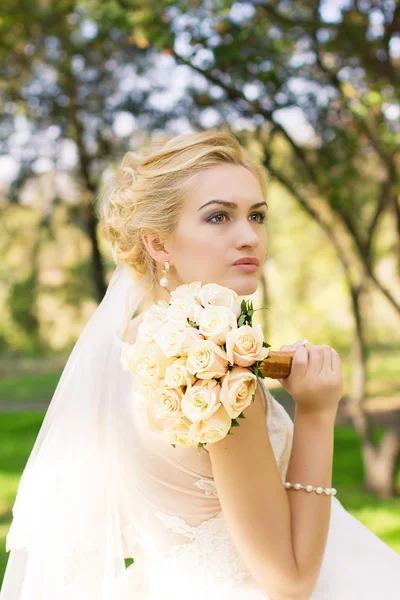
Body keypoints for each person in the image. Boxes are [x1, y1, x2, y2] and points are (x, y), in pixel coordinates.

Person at [1, 130, 399, 600]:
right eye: (218, 217)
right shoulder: (212, 370)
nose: (249, 236)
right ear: (158, 245)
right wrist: (315, 413)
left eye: (257, 215)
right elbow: (289, 582)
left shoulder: (131, 346)